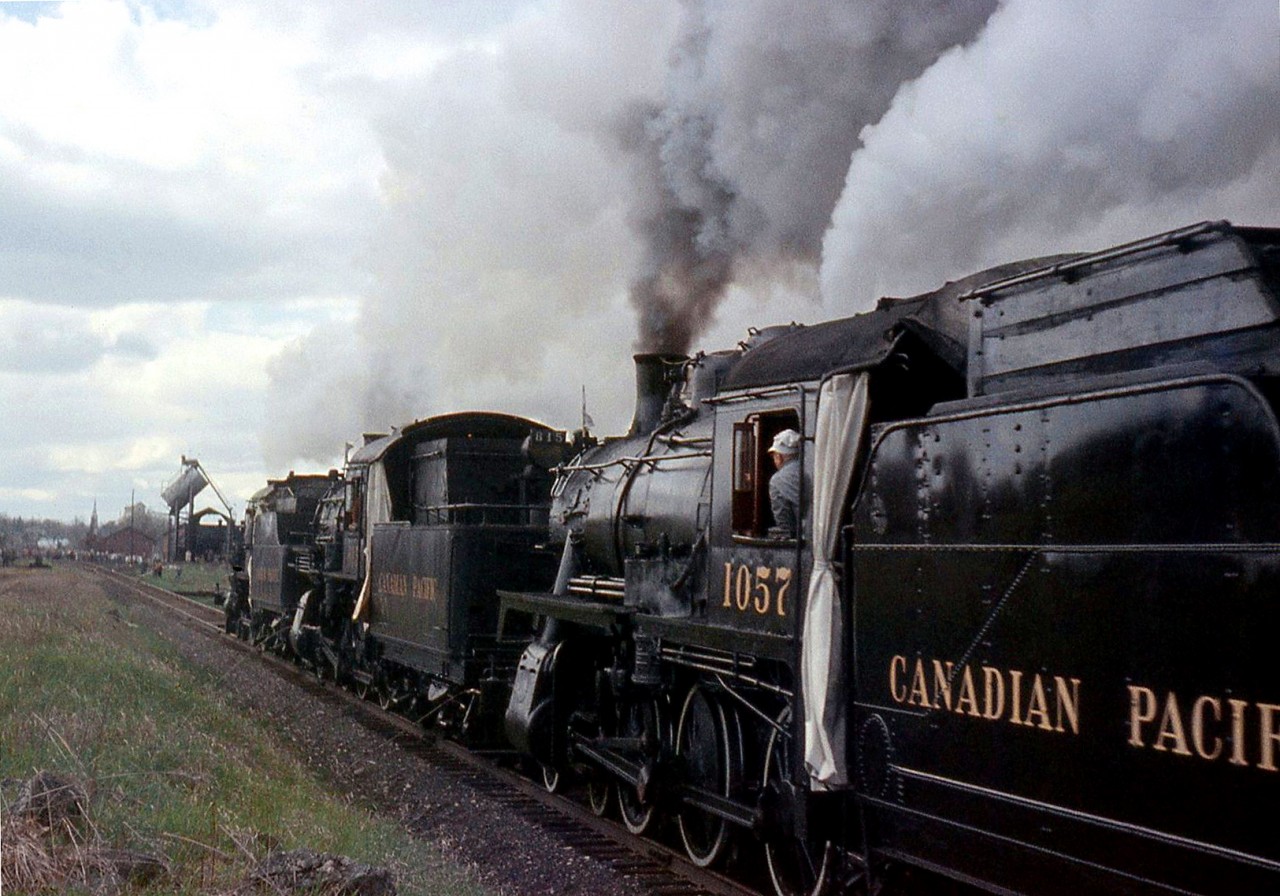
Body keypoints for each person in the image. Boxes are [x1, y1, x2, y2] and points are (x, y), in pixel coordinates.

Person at [767, 429, 804, 538]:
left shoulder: (777, 480)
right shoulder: (814, 468)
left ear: (779, 457)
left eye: (774, 456)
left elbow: (785, 524)